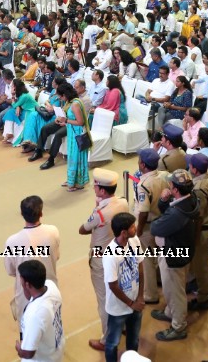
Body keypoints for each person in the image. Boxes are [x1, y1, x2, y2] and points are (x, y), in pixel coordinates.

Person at [80, 169, 129, 353]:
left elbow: (83, 229)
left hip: (101, 259)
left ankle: (108, 338)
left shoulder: (100, 213)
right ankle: (122, 324)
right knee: (120, 292)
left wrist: (96, 208)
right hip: (120, 254)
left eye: (96, 185)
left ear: (102, 191)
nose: (94, 187)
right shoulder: (123, 203)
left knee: (104, 300)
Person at [150, 168, 199, 342]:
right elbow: (167, 212)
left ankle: (178, 326)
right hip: (184, 249)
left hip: (173, 254)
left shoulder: (177, 213)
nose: (169, 185)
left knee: (175, 291)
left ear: (176, 190)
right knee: (174, 288)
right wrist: (164, 201)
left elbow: (155, 227)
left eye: (171, 184)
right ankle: (170, 312)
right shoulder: (190, 200)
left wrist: (162, 208)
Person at [4, 196, 60, 321]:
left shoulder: (12, 241)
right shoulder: (53, 231)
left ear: (22, 214)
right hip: (50, 288)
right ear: (41, 213)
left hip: (26, 293)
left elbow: (11, 271)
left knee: (27, 328)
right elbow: (56, 256)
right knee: (52, 323)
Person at [101, 212, 144, 362]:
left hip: (135, 304)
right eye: (133, 227)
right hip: (118, 308)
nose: (136, 228)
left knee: (133, 340)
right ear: (123, 233)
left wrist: (140, 297)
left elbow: (140, 267)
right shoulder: (110, 254)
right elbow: (112, 285)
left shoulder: (134, 241)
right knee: (112, 343)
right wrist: (131, 303)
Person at [15, 260, 64, 362]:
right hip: (55, 352)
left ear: (28, 285)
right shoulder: (51, 286)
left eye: (22, 284)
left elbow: (28, 353)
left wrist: (19, 350)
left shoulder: (35, 315)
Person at [188, 152, 208, 312]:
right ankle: (195, 284)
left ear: (194, 169)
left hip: (202, 229)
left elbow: (198, 217)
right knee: (198, 263)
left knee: (201, 267)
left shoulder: (199, 189)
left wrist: (194, 237)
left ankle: (204, 297)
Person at [60, 81, 90, 191]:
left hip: (78, 134)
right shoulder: (70, 102)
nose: (60, 99)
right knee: (72, 157)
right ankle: (71, 179)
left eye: (61, 96)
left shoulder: (75, 104)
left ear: (65, 95)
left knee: (77, 158)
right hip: (72, 132)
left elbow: (80, 122)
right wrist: (63, 122)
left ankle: (78, 182)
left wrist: (66, 120)